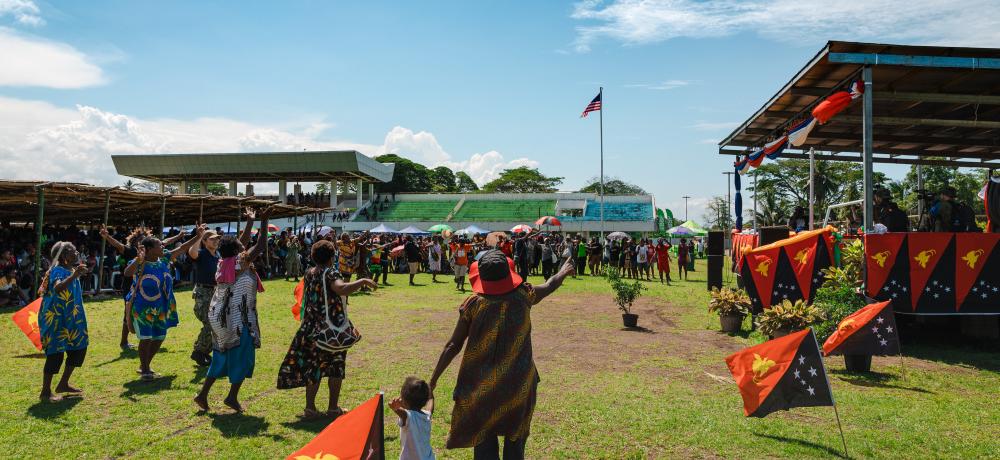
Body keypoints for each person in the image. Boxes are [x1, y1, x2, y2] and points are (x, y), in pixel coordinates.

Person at [429, 250, 575, 459]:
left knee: (484, 440)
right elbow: (550, 285)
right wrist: (562, 271)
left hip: (482, 387)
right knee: (516, 441)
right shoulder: (525, 294)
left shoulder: (473, 304)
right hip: (519, 383)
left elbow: (453, 344)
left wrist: (433, 380)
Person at [277, 240, 378, 419]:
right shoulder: (330, 272)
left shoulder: (310, 272)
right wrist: (362, 280)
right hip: (330, 329)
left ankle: (310, 408)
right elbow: (341, 289)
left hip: (310, 327)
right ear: (332, 258)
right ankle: (333, 407)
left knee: (313, 367)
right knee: (336, 366)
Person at [193, 208, 272, 413]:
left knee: (221, 355)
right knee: (243, 356)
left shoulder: (224, 261)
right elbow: (260, 244)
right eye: (240, 246)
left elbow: (241, 242)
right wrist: (263, 221)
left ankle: (202, 395)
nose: (242, 244)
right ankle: (231, 397)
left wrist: (249, 221)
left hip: (220, 316)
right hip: (236, 318)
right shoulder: (239, 262)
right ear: (238, 251)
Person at [123, 232, 199, 381]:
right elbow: (127, 273)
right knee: (146, 339)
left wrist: (199, 235)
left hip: (162, 306)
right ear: (149, 249)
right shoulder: (140, 262)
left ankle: (145, 365)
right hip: (143, 307)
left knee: (159, 337)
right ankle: (145, 369)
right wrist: (138, 260)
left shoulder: (164, 258)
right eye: (159, 245)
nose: (163, 246)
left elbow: (183, 247)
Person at [37, 242, 89, 402]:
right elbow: (59, 288)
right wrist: (75, 276)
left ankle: (63, 384)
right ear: (65, 256)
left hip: (72, 318)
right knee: (56, 353)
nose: (77, 253)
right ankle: (45, 391)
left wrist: (75, 274)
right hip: (56, 319)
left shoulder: (69, 269)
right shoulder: (57, 271)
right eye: (73, 251)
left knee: (79, 348)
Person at [186, 226, 222, 367]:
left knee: (215, 324)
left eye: (217, 239)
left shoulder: (217, 255)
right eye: (212, 239)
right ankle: (199, 352)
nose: (216, 241)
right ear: (205, 241)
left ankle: (203, 351)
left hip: (215, 292)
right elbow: (192, 252)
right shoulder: (202, 253)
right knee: (210, 323)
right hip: (203, 293)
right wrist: (199, 236)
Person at [390, 376, 435, 460]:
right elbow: (430, 402)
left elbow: (398, 410)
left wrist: (395, 406)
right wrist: (430, 391)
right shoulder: (427, 415)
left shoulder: (408, 416)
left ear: (405, 401)